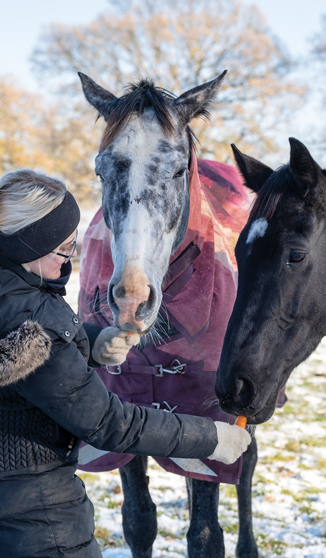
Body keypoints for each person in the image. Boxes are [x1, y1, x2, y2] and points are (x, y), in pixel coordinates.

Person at [0, 169, 251, 558]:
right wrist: (213, 438)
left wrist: (90, 342)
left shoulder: (12, 293)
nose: (70, 260)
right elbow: (108, 424)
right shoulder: (35, 324)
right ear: (29, 246)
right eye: (64, 249)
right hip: (36, 519)